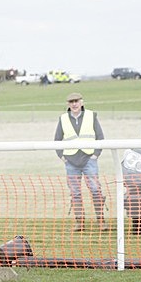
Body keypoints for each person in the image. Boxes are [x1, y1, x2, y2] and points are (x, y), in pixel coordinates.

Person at [54, 92, 107, 231]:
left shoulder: (91, 116)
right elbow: (57, 139)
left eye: (76, 101)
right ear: (68, 104)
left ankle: (101, 220)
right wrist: (62, 156)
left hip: (89, 159)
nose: (74, 104)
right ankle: (80, 222)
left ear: (81, 102)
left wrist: (96, 154)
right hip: (71, 162)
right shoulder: (63, 118)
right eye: (71, 102)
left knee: (95, 190)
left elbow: (100, 137)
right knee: (75, 192)